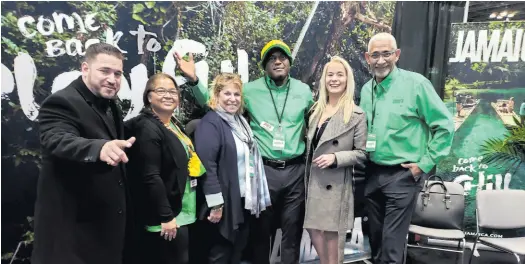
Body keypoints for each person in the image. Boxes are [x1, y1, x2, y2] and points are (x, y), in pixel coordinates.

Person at [175, 39, 313, 264]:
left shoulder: (304, 91)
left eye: (282, 57)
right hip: (263, 173)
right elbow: (216, 104)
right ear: (264, 65)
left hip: (295, 172)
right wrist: (194, 80)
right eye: (271, 58)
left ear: (290, 62)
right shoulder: (249, 90)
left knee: (292, 230)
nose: (277, 61)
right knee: (260, 234)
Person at [32, 43, 136, 264]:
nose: (112, 79)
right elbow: (57, 139)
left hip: (105, 233)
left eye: (118, 73)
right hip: (72, 237)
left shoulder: (111, 104)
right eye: (104, 71)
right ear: (85, 69)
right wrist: (99, 148)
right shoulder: (62, 101)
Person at [359, 33, 454, 264]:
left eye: (386, 54)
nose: (381, 60)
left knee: (392, 246)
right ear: (367, 58)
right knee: (376, 244)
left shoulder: (417, 84)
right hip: (371, 174)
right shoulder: (365, 89)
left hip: (402, 175)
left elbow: (445, 127)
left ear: (397, 55)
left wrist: (423, 165)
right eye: (375, 55)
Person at [125, 73, 206, 264]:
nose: (168, 95)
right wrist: (166, 216)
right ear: (149, 96)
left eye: (172, 91)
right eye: (161, 90)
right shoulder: (147, 127)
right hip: (167, 218)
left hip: (182, 210)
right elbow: (150, 175)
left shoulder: (171, 124)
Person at [194, 73, 272, 264]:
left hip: (243, 201)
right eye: (227, 94)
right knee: (220, 255)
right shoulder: (211, 123)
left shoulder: (240, 123)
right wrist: (216, 205)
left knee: (237, 252)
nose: (232, 99)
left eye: (236, 94)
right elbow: (207, 167)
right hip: (222, 205)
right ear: (217, 95)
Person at [304, 56, 367, 264]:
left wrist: (335, 157)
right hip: (313, 180)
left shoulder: (356, 114)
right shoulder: (315, 110)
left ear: (347, 80)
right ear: (324, 79)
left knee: (332, 233)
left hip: (336, 181)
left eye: (340, 74)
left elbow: (362, 153)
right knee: (313, 228)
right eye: (330, 74)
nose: (334, 79)